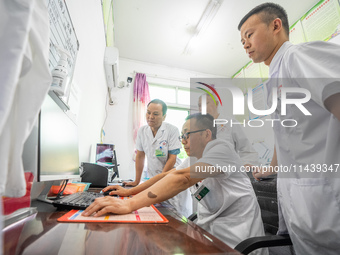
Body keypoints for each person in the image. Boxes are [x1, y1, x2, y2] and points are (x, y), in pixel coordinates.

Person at [83, 113, 267, 253]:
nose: (183, 141)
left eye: (187, 135)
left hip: (236, 243)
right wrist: (130, 191)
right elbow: (169, 175)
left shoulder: (222, 150)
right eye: (182, 136)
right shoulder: (195, 158)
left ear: (206, 134)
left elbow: (183, 178)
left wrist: (130, 204)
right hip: (209, 237)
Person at [238, 3, 340, 254]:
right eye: (242, 41)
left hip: (325, 201)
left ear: (276, 26)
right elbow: (286, 135)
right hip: (306, 208)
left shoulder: (298, 56)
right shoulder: (275, 79)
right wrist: (270, 168)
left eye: (249, 35)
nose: (245, 44)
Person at [125, 99, 182, 186]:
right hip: (154, 178)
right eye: (148, 112)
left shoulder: (172, 130)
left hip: (171, 177)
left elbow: (172, 158)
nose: (150, 116)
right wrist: (136, 181)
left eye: (155, 114)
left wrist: (160, 180)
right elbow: (140, 156)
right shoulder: (142, 131)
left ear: (164, 117)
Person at [198, 93, 259, 166]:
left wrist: (245, 164)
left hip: (229, 173)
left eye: (206, 103)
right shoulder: (199, 129)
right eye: (199, 105)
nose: (202, 108)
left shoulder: (230, 123)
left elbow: (248, 151)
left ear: (216, 104)